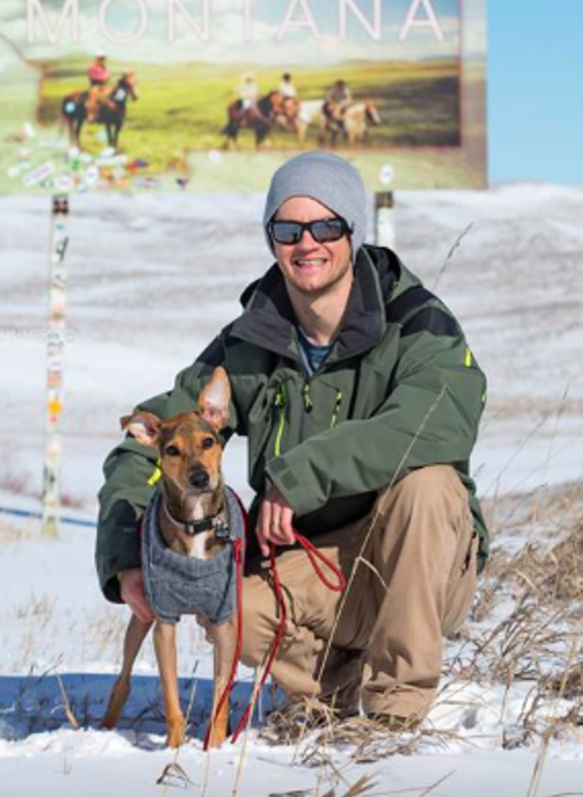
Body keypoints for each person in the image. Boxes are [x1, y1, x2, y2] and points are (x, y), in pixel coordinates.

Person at [96, 151, 489, 727]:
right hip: (311, 563)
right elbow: (156, 437)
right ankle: (321, 695)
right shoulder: (250, 340)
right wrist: (128, 551)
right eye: (288, 228)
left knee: (429, 487)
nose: (308, 243)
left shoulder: (417, 322)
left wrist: (298, 477)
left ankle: (392, 717)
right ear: (271, 239)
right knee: (239, 604)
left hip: (417, 560)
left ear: (351, 231)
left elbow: (434, 423)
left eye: (326, 225)